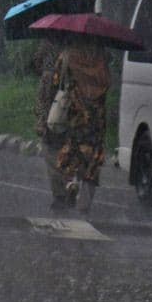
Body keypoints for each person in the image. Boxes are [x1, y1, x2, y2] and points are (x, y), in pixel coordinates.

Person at [52, 37, 111, 214]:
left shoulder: (68, 57)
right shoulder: (102, 60)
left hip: (74, 115)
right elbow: (107, 84)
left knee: (71, 152)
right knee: (92, 159)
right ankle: (85, 203)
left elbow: (57, 82)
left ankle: (70, 184)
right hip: (96, 119)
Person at [33, 37, 69, 209]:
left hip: (55, 110)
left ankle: (60, 193)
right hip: (76, 107)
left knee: (50, 150)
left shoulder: (47, 42)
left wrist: (41, 120)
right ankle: (70, 186)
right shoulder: (80, 48)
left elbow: (35, 63)